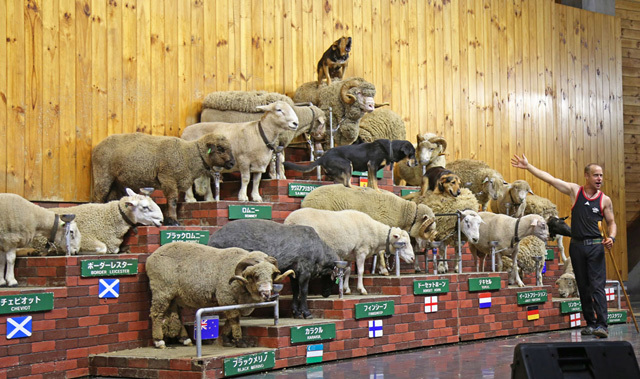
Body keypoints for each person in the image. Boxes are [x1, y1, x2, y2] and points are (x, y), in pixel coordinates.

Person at [511, 154, 616, 338]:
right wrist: (528, 166)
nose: (599, 179)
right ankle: (591, 323)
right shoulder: (575, 191)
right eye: (596, 175)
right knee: (582, 286)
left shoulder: (605, 200)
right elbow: (550, 179)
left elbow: (612, 223)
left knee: (597, 286)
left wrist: (612, 238)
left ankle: (602, 325)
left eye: (601, 175)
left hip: (595, 247)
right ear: (587, 176)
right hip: (576, 246)